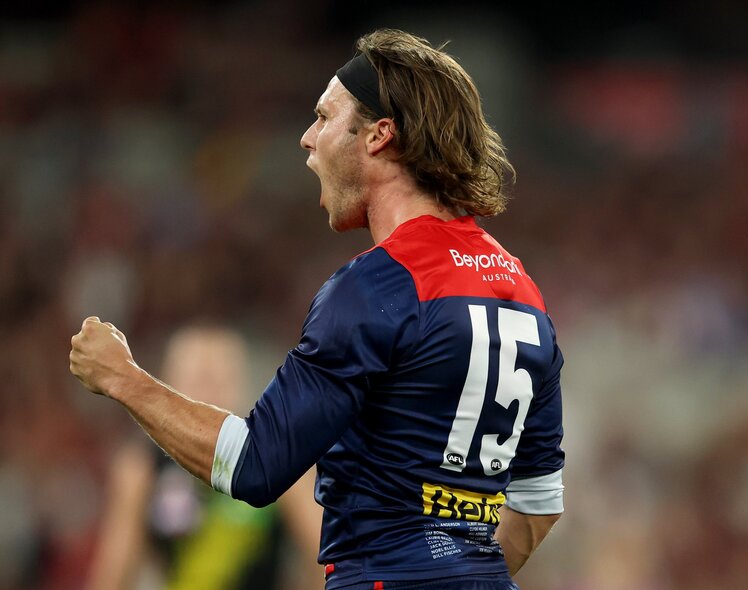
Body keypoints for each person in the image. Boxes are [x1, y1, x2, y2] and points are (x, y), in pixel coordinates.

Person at [71, 29, 564, 590]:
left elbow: (255, 466)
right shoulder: (523, 288)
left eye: (325, 117)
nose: (307, 139)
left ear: (379, 135)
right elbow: (538, 504)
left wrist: (123, 379)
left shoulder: (376, 285)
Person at [85, 325, 323, 590]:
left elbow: (324, 553)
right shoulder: (142, 467)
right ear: (167, 384)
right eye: (197, 380)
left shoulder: (278, 459)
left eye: (218, 381)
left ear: (239, 388)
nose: (207, 395)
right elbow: (114, 573)